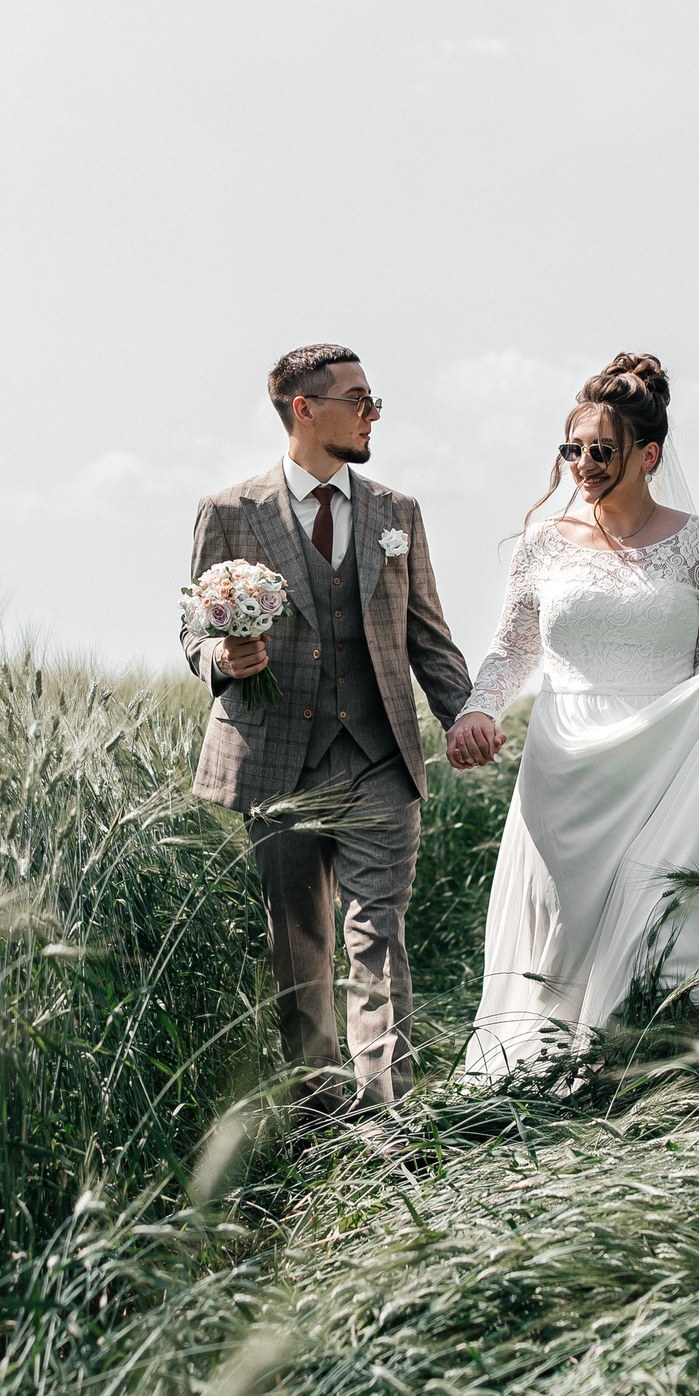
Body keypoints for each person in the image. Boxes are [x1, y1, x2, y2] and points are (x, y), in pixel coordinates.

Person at [447, 353, 699, 1075]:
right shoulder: (543, 544)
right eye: (573, 449)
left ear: (648, 456)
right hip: (564, 762)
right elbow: (512, 648)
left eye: (602, 451)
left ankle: (652, 1073)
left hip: (667, 763)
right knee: (561, 921)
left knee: (661, 916)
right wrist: (478, 709)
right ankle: (545, 1072)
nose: (583, 465)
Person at [182, 344, 481, 1121]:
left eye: (374, 400)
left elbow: (428, 636)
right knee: (300, 950)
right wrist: (223, 657)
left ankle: (389, 1124)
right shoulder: (229, 512)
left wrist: (462, 715)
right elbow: (193, 631)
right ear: (305, 409)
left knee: (378, 939)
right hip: (275, 761)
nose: (373, 413)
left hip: (379, 757)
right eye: (359, 399)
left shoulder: (397, 514)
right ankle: (319, 1120)